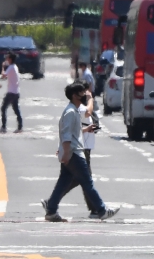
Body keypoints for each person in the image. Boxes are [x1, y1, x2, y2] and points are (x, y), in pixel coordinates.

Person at [41, 82, 120, 222]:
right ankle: (102, 210)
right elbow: (66, 134)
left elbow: (73, 132)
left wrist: (86, 129)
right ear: (74, 95)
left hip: (71, 152)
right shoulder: (71, 112)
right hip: (74, 153)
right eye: (81, 93)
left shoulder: (74, 111)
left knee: (63, 183)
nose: (84, 95)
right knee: (87, 183)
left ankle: (51, 210)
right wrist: (65, 152)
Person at [59, 80, 98, 219]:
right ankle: (98, 209)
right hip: (80, 148)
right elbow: (88, 112)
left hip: (82, 146)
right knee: (85, 179)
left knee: (75, 179)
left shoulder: (76, 108)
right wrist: (90, 99)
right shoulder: (77, 108)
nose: (85, 94)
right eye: (83, 92)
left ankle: (52, 202)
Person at [0, 51, 23, 133]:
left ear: (10, 59)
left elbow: (3, 75)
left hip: (11, 92)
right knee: (16, 109)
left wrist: (2, 67)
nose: (6, 59)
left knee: (3, 108)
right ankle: (20, 127)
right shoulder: (15, 67)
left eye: (7, 58)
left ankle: (3, 127)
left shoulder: (11, 67)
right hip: (16, 92)